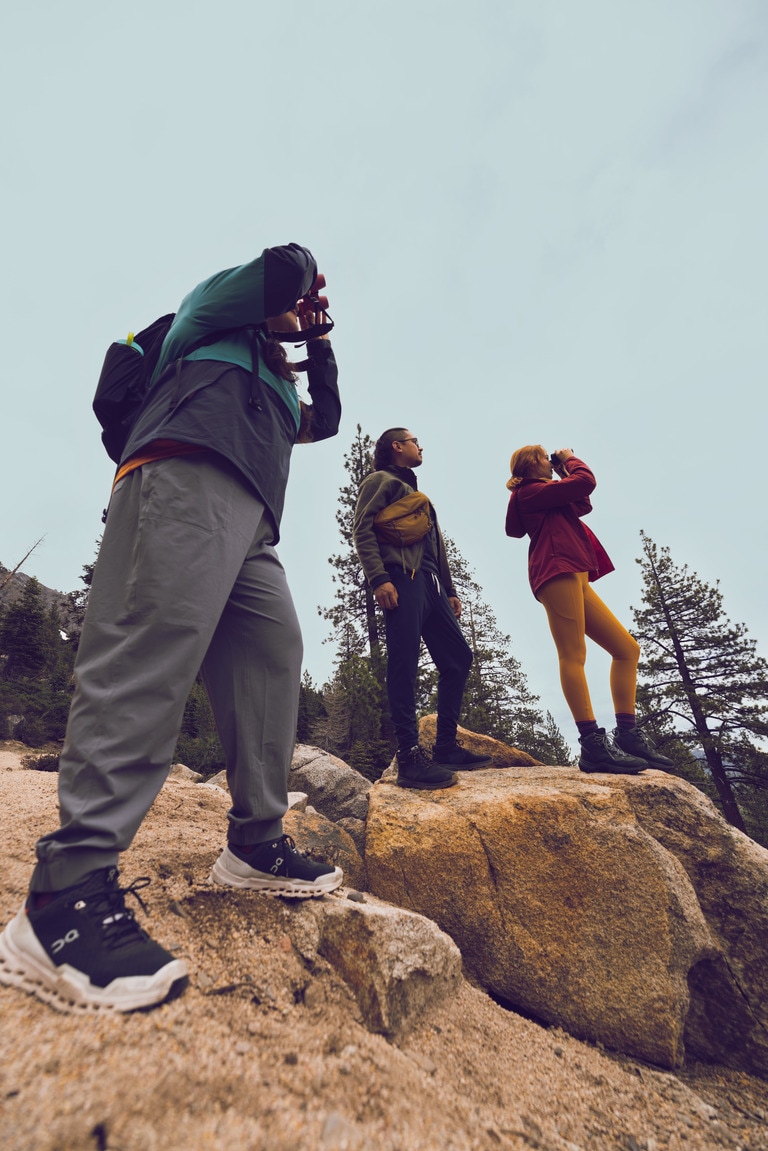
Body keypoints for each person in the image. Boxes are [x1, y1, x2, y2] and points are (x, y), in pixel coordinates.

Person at [0, 243, 343, 1015]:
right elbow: (284, 265)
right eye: (285, 315)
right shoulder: (206, 318)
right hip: (184, 471)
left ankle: (254, 845)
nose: (291, 318)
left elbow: (326, 420)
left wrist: (317, 344)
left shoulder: (280, 390)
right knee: (151, 644)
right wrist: (304, 283)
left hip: (252, 516)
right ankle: (64, 897)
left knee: (272, 650)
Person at [505, 445, 674, 774]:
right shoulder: (530, 492)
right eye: (544, 458)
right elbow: (585, 482)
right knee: (573, 655)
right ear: (529, 466)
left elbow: (582, 502)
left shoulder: (548, 493)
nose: (550, 464)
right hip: (557, 572)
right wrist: (568, 458)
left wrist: (562, 470)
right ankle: (592, 747)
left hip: (575, 573)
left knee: (627, 649)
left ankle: (627, 735)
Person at [353, 428, 491, 789]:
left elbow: (436, 545)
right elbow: (361, 528)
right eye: (415, 441)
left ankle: (445, 746)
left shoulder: (416, 493)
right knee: (404, 661)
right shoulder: (380, 481)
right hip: (400, 580)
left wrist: (449, 588)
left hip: (429, 584)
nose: (421, 446)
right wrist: (379, 579)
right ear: (397, 446)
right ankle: (410, 758)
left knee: (458, 658)